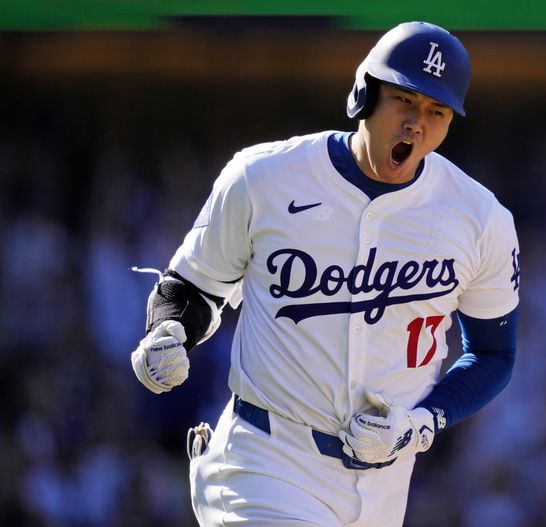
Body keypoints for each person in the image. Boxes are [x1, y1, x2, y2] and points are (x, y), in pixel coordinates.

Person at [130, 21, 521, 527]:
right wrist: (169, 330)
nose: (416, 124)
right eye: (404, 100)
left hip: (384, 485)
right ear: (365, 94)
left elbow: (494, 354)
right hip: (265, 461)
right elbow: (193, 287)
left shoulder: (480, 218)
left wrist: (421, 423)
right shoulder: (263, 177)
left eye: (436, 111)